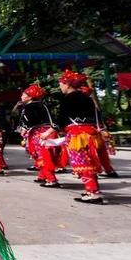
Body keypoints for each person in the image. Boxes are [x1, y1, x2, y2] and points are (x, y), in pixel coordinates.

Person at [58, 70, 105, 204]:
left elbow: (62, 120)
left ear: (67, 85)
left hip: (77, 136)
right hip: (91, 135)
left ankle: (93, 192)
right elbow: (97, 117)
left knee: (82, 163)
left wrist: (52, 132)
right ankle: (93, 190)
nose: (60, 87)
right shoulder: (87, 98)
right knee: (89, 162)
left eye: (61, 84)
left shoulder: (67, 99)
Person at [18, 84, 61, 187]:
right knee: (43, 155)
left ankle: (51, 179)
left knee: (42, 156)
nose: (21, 96)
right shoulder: (42, 104)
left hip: (40, 133)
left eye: (23, 94)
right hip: (46, 131)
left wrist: (24, 128)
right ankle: (42, 176)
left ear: (30, 97)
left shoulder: (30, 106)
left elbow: (29, 121)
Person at [80, 83, 119, 178]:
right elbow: (98, 119)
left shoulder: (86, 104)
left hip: (87, 131)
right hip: (96, 130)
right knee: (100, 152)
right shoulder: (92, 104)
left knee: (89, 152)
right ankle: (109, 170)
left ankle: (93, 171)